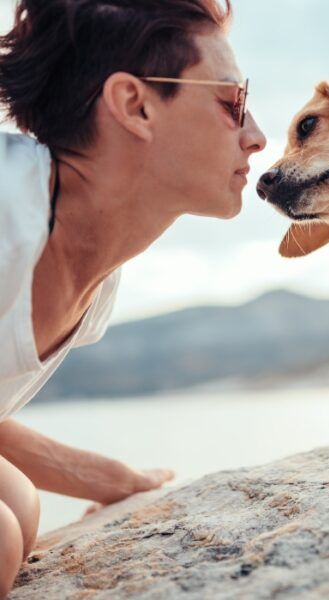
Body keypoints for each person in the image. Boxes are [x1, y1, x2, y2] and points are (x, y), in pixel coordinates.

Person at [0, 0, 266, 595]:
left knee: (19, 501)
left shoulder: (97, 276)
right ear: (134, 105)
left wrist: (111, 478)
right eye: (233, 103)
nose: (257, 137)